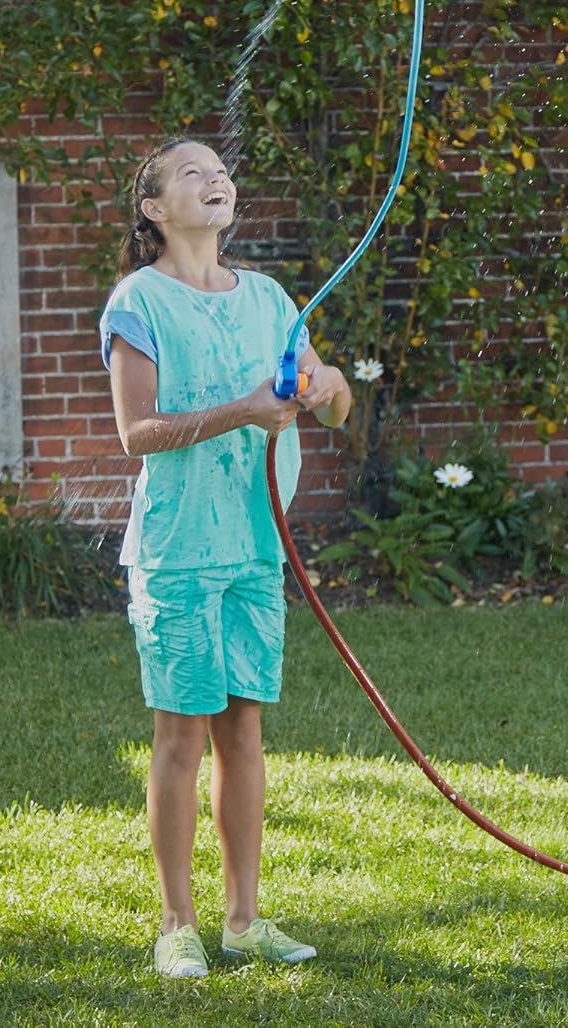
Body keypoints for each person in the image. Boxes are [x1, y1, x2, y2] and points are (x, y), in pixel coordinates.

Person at [100, 138, 352, 979]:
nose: (215, 179)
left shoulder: (270, 300)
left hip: (252, 547)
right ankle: (177, 925)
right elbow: (137, 432)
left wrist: (326, 387)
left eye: (220, 170)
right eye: (192, 172)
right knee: (181, 736)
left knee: (243, 731)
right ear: (154, 209)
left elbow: (335, 405)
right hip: (177, 550)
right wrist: (244, 410)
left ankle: (243, 921)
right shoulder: (139, 302)